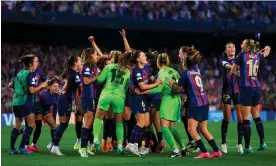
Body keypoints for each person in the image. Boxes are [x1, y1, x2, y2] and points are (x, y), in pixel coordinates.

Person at [172, 46, 222, 159]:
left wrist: (173, 85)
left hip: (195, 103)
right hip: (204, 101)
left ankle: (204, 151)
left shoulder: (185, 74)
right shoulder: (196, 69)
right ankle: (216, 150)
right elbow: (191, 87)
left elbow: (178, 90)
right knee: (203, 129)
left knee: (191, 129)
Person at [231, 39, 271, 154]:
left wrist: (241, 74)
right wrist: (266, 47)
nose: (240, 44)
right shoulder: (259, 55)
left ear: (247, 46)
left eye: (242, 43)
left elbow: (233, 71)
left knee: (246, 119)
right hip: (257, 88)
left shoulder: (241, 55)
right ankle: (262, 142)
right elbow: (268, 50)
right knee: (256, 116)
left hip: (246, 89)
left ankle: (248, 147)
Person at [142, 53, 186, 157]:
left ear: (158, 62)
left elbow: (159, 88)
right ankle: (183, 148)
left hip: (168, 100)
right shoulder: (174, 71)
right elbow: (180, 86)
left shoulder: (161, 72)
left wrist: (145, 91)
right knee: (171, 127)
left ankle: (175, 150)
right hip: (176, 100)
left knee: (164, 126)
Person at [92, 52, 132, 154]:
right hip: (119, 97)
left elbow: (100, 80)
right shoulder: (127, 71)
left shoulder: (109, 67)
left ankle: (96, 139)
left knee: (98, 117)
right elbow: (127, 87)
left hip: (106, 94)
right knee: (119, 122)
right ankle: (119, 146)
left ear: (113, 58)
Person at [9, 54, 48, 155]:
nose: (37, 64)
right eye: (35, 62)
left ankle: (12, 148)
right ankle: (22, 147)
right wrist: (42, 85)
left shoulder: (19, 73)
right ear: (31, 64)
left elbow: (11, 85)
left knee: (17, 125)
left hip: (15, 102)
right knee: (32, 124)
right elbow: (32, 90)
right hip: (26, 102)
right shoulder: (30, 74)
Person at [50, 55, 83, 156]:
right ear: (75, 63)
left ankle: (53, 144)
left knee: (64, 124)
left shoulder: (71, 72)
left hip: (67, 99)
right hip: (65, 99)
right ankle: (55, 146)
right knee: (64, 124)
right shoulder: (74, 74)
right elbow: (81, 87)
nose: (81, 62)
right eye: (80, 61)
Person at [219, 42, 243, 154]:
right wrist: (239, 70)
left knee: (240, 118)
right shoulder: (223, 61)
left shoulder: (240, 60)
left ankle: (239, 144)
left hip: (238, 92)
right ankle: (223, 143)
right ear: (226, 51)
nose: (232, 48)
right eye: (229, 47)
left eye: (233, 46)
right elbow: (229, 67)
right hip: (227, 91)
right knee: (227, 117)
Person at [78, 46, 100, 157]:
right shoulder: (87, 67)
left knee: (89, 124)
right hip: (87, 97)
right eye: (95, 55)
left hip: (92, 97)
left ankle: (85, 147)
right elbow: (86, 81)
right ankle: (82, 148)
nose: (97, 57)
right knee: (87, 123)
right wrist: (97, 77)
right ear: (91, 56)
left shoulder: (93, 66)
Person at [39, 78, 60, 150]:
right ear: (50, 87)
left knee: (53, 126)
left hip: (47, 112)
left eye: (57, 86)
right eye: (54, 86)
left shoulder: (58, 96)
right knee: (32, 127)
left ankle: (53, 143)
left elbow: (55, 108)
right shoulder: (43, 94)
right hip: (38, 111)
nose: (56, 88)